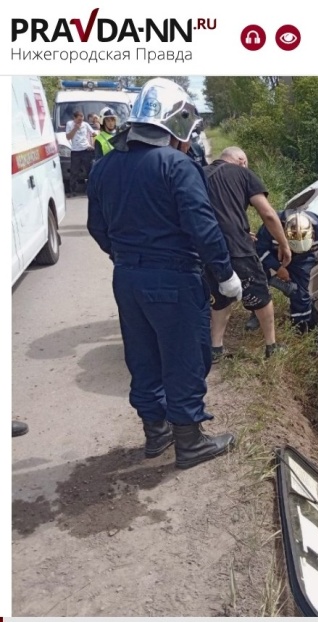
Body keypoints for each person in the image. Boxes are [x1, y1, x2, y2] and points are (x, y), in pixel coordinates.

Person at [87, 77, 238, 470]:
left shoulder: (104, 167)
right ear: (175, 122)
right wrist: (224, 274)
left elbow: (96, 227)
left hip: (127, 278)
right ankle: (189, 442)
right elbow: (203, 228)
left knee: (143, 355)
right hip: (173, 278)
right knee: (186, 355)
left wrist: (126, 256)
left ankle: (156, 433)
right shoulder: (177, 165)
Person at [202, 146, 293, 361]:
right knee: (260, 296)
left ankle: (216, 349)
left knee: (220, 298)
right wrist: (284, 244)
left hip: (207, 249)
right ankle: (271, 346)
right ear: (241, 160)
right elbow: (268, 214)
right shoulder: (243, 173)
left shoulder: (200, 173)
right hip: (237, 249)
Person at [65, 109, 96, 196]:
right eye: (79, 119)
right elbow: (68, 137)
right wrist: (75, 128)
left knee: (89, 170)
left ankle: (90, 189)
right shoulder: (69, 124)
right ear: (74, 118)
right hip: (75, 151)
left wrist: (92, 144)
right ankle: (73, 190)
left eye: (82, 119)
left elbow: (93, 134)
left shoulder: (85, 124)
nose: (80, 121)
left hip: (86, 150)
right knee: (74, 172)